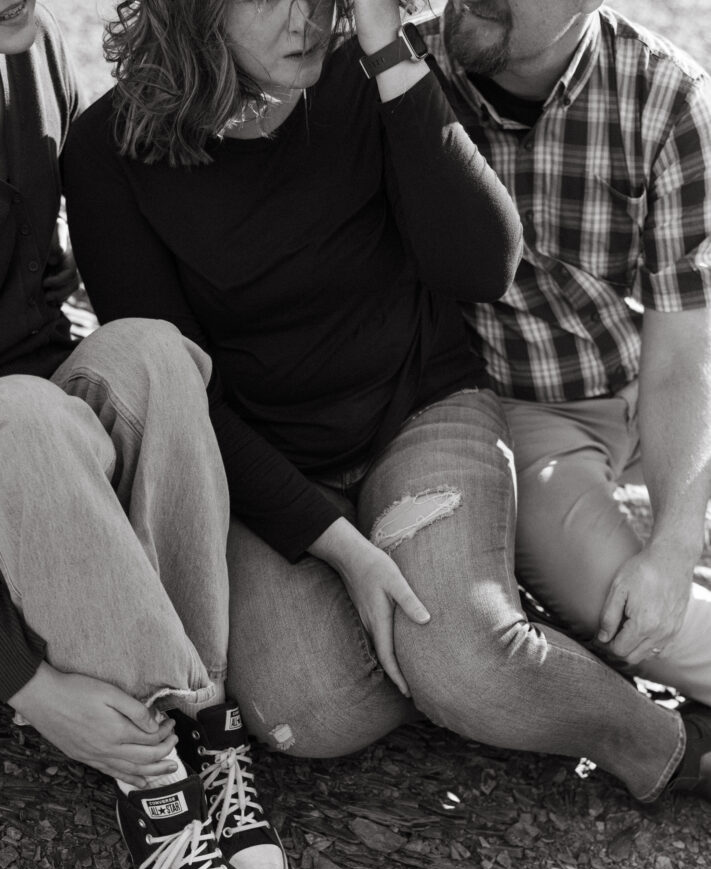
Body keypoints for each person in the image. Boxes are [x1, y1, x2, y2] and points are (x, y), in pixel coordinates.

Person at [63, 0, 709, 813]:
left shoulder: (366, 73)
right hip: (262, 469)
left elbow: (482, 268)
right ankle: (467, 639)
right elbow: (182, 403)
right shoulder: (105, 151)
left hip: (422, 412)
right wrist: (346, 551)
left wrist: (385, 56)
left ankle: (672, 749)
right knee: (314, 711)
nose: (307, 19)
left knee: (466, 659)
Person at [0, 0, 287, 869]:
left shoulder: (30, 47)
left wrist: (94, 430)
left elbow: (37, 293)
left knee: (156, 353)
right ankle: (154, 784)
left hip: (25, 419)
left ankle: (198, 709)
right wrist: (24, 683)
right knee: (19, 419)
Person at [422, 2, 711, 702]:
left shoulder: (668, 98)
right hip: (528, 413)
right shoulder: (407, 71)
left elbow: (683, 356)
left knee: (662, 569)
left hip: (656, 375)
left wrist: (674, 547)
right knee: (625, 611)